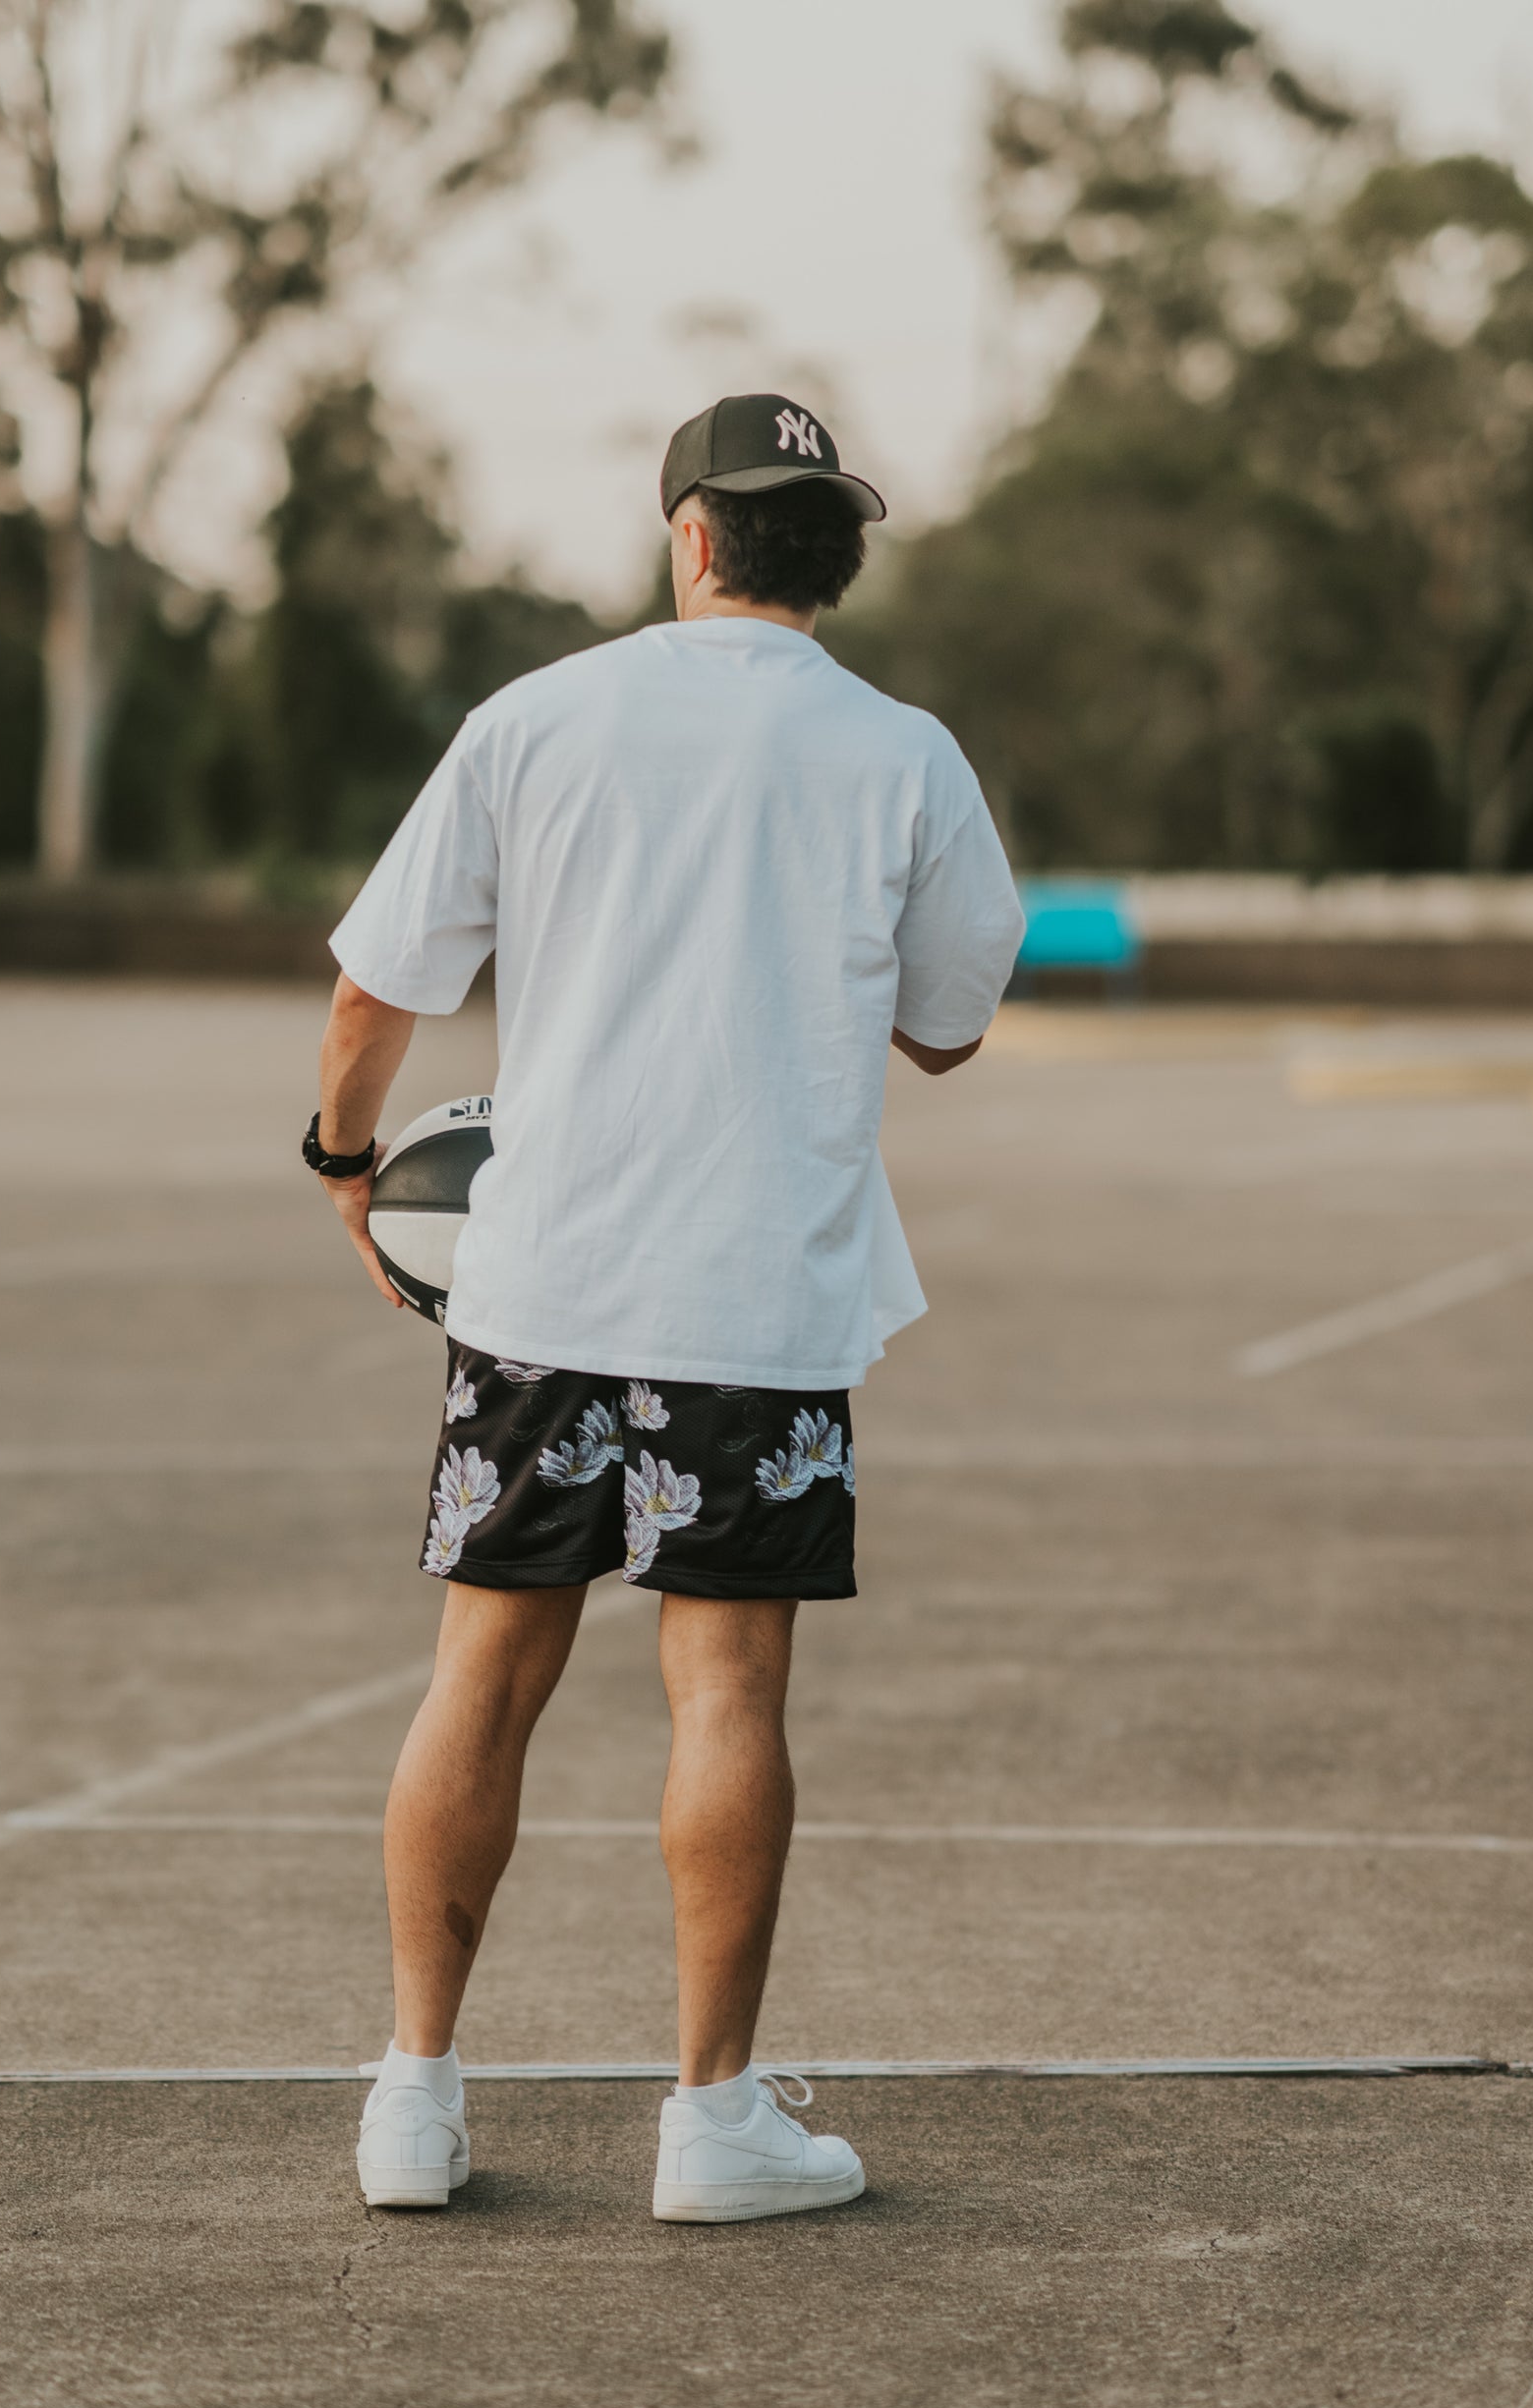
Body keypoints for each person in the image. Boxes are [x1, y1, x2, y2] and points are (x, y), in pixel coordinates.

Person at [309, 392, 1024, 2222]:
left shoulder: (534, 717)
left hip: (543, 1280)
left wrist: (343, 1156)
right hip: (753, 1292)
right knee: (727, 1685)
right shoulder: (906, 755)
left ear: (690, 536)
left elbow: (378, 984)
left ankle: (413, 2100)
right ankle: (711, 2123)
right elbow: (945, 1029)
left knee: (482, 1674)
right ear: (829, 556)